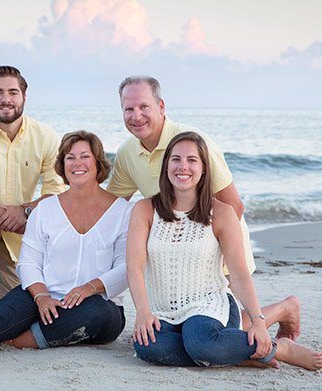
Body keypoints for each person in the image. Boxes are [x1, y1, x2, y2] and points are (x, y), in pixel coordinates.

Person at [108, 75, 300, 340]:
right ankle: (278, 315)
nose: (136, 115)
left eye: (144, 107)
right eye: (128, 109)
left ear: (161, 106)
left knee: (217, 328)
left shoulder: (193, 143)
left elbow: (233, 204)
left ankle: (283, 310)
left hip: (216, 251)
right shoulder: (128, 152)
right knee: (191, 329)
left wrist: (209, 257)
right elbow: (111, 205)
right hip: (174, 253)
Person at [0, 131, 132, 357]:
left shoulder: (123, 211)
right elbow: (28, 262)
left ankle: (17, 339)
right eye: (70, 157)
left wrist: (88, 288)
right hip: (45, 294)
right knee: (11, 306)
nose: (77, 163)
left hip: (98, 304)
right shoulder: (45, 209)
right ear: (62, 164)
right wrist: (41, 296)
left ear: (98, 162)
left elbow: (126, 268)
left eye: (85, 156)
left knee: (96, 312)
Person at [126, 131, 322, 370]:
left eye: (192, 160)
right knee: (149, 346)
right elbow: (135, 267)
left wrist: (258, 320)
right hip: (163, 310)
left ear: (204, 169)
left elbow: (239, 274)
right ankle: (238, 355)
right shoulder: (145, 209)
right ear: (166, 165)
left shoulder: (221, 213)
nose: (182, 167)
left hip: (209, 306)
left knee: (200, 342)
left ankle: (278, 348)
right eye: (175, 159)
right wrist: (143, 312)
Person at [0, 65, 65, 306]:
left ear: (24, 97)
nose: (5, 99)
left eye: (13, 92)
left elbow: (57, 194)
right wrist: (15, 216)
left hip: (27, 231)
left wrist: (26, 212)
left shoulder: (46, 136)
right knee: (16, 305)